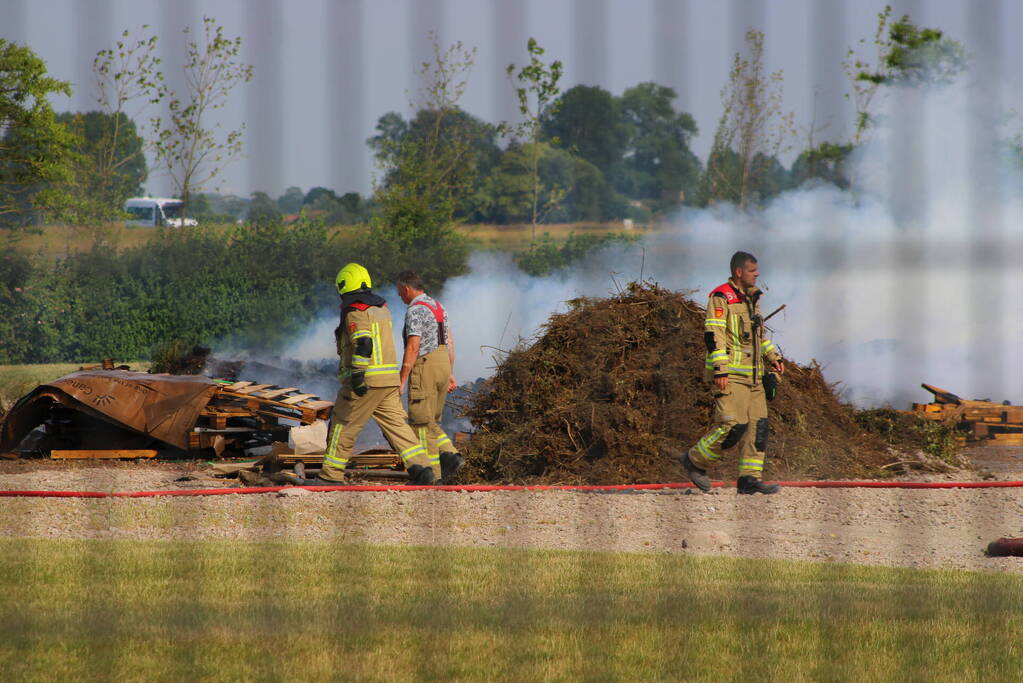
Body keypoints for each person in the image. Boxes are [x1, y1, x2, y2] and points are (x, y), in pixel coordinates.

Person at [289, 263, 435, 486]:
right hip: (388, 380)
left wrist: (357, 376)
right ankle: (422, 469)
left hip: (366, 381)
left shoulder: (356, 309)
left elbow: (364, 344)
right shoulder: (382, 308)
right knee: (397, 427)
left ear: (344, 284)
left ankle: (331, 476)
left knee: (343, 425)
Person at [680, 251, 784, 494]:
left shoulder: (752, 299)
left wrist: (773, 357)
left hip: (755, 376)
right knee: (732, 426)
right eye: (752, 271)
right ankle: (694, 460)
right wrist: (720, 369)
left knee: (757, 427)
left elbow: (759, 337)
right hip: (731, 375)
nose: (757, 274)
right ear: (739, 272)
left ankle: (749, 480)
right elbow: (713, 334)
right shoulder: (721, 297)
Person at [396, 270, 464, 484]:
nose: (399, 296)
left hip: (425, 366)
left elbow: (413, 345)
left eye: (399, 292)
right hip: (443, 364)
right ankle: (452, 457)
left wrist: (402, 379)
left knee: (421, 425)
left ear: (407, 289)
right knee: (433, 422)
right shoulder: (439, 307)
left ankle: (430, 476)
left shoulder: (415, 310)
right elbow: (450, 342)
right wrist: (450, 373)